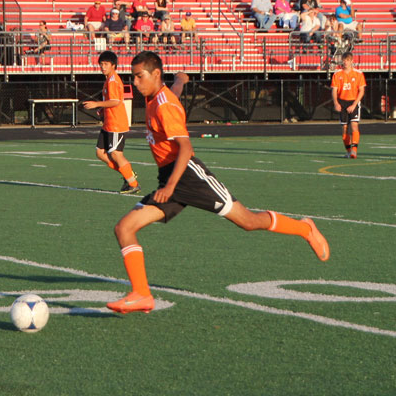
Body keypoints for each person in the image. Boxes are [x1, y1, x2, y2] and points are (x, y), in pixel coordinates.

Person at [106, 51, 330, 314]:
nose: (134, 81)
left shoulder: (164, 105)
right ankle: (142, 294)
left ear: (155, 75)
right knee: (124, 228)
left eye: (138, 76)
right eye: (132, 76)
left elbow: (186, 148)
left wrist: (169, 187)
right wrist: (181, 80)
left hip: (187, 175)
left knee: (247, 221)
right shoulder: (156, 94)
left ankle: (304, 229)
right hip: (170, 177)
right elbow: (173, 91)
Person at [82, 51, 140, 194]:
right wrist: (102, 109)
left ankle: (133, 183)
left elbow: (116, 101)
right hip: (108, 122)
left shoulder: (113, 80)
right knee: (100, 153)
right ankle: (128, 175)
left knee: (115, 154)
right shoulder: (109, 80)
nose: (103, 67)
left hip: (116, 123)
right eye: (101, 64)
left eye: (106, 64)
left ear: (113, 65)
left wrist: (97, 104)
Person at [331, 51, 366, 158]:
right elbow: (334, 90)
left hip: (353, 102)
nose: (345, 62)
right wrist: (336, 103)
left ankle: (354, 150)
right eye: (344, 60)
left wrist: (354, 105)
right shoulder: (337, 74)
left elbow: (361, 91)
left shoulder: (358, 74)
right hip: (342, 103)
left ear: (352, 61)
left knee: (354, 125)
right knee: (344, 128)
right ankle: (348, 150)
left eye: (348, 60)